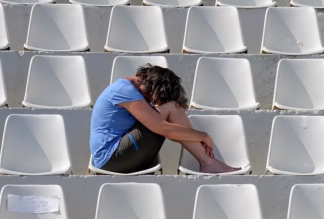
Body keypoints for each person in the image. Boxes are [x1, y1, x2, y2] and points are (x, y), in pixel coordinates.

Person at [90, 64, 239, 174]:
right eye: (152, 97)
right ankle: (208, 162)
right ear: (146, 85)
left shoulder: (127, 87)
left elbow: (169, 132)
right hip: (113, 159)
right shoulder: (125, 91)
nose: (152, 102)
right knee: (170, 106)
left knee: (170, 108)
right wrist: (204, 136)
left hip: (117, 157)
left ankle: (208, 162)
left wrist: (192, 135)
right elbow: (163, 128)